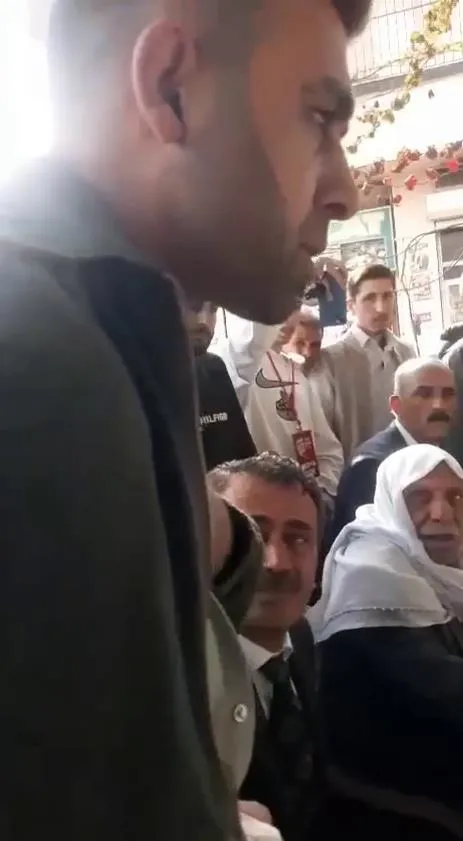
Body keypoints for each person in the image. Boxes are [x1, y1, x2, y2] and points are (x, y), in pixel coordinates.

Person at [0, 0, 369, 837]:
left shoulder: (106, 333)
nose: (345, 191)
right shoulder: (40, 362)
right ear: (169, 88)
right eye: (319, 119)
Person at [310, 444, 463, 839]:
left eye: (455, 497)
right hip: (388, 792)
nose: (442, 513)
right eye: (420, 497)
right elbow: (442, 688)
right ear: (391, 500)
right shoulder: (372, 571)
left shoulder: (436, 564)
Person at [209, 453, 323, 841]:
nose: (276, 562)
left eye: (298, 539)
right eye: (254, 536)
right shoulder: (176, 674)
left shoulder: (303, 638)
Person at [212, 309, 344, 500]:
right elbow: (251, 341)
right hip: (257, 500)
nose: (289, 319)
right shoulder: (232, 361)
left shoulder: (294, 371)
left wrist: (320, 493)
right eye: (283, 306)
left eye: (295, 307)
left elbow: (327, 448)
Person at [331, 358, 457, 540]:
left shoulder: (446, 456)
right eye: (424, 395)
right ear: (396, 405)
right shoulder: (371, 466)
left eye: (448, 395)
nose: (439, 405)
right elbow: (367, 546)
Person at [326, 264, 415, 445]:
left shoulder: (406, 352)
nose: (381, 308)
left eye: (387, 296)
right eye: (370, 298)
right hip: (354, 460)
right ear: (351, 306)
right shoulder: (331, 359)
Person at [186, 301, 257, 469]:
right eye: (193, 306)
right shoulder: (132, 382)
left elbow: (243, 461)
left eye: (213, 309)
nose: (204, 320)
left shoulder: (214, 367)